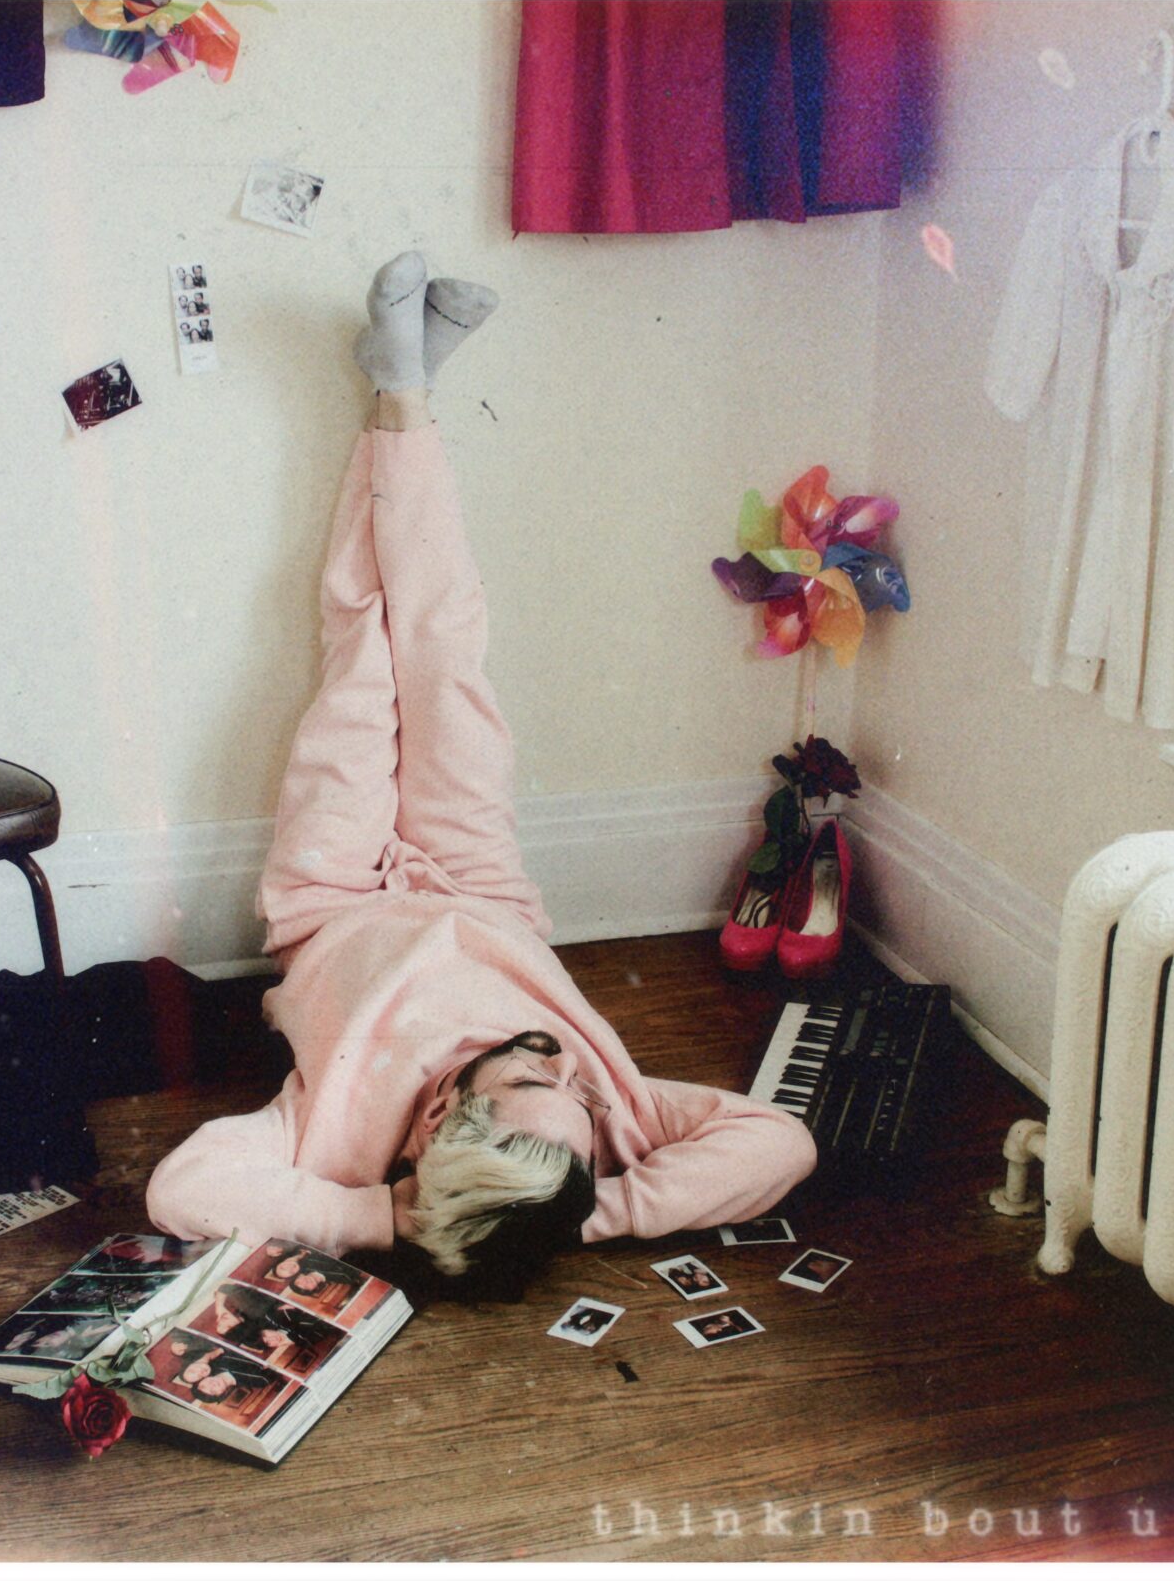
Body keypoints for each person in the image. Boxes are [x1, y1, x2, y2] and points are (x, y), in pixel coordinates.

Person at [146, 253, 816, 1298]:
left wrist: (375, 1215)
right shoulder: (598, 1117)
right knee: (446, 645)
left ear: (442, 1117)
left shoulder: (340, 1141)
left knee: (365, 650)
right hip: (479, 888)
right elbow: (780, 1142)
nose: (565, 1068)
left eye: (528, 1076)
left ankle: (400, 394)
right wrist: (587, 1212)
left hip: (335, 903)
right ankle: (404, 394)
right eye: (574, 1098)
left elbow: (183, 1191)